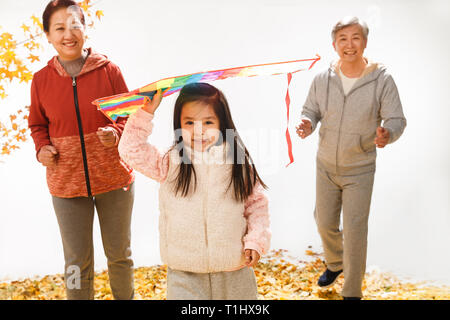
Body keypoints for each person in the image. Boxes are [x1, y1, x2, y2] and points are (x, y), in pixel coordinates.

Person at [118, 83, 271, 300]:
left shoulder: (237, 163)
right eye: (189, 122)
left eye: (208, 122)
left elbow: (256, 206)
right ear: (178, 124)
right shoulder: (169, 162)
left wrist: (255, 241)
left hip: (234, 271)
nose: (198, 130)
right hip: (184, 274)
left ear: (222, 123)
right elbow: (130, 150)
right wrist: (145, 112)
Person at [28, 0, 135, 300]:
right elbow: (38, 125)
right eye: (59, 28)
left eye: (75, 25)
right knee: (76, 262)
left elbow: (127, 115)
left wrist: (114, 132)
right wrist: (42, 149)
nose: (68, 34)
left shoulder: (109, 71)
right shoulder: (41, 81)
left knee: (120, 256)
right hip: (66, 185)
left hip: (115, 180)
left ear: (85, 29)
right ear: (47, 35)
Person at [296, 16, 406, 299]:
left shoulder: (382, 79)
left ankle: (352, 291)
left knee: (356, 230)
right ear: (334, 45)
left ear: (365, 42)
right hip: (326, 166)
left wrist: (387, 134)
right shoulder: (323, 78)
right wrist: (307, 123)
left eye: (355, 38)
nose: (349, 44)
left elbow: (396, 119)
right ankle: (335, 262)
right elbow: (310, 110)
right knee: (323, 221)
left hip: (360, 168)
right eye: (343, 39)